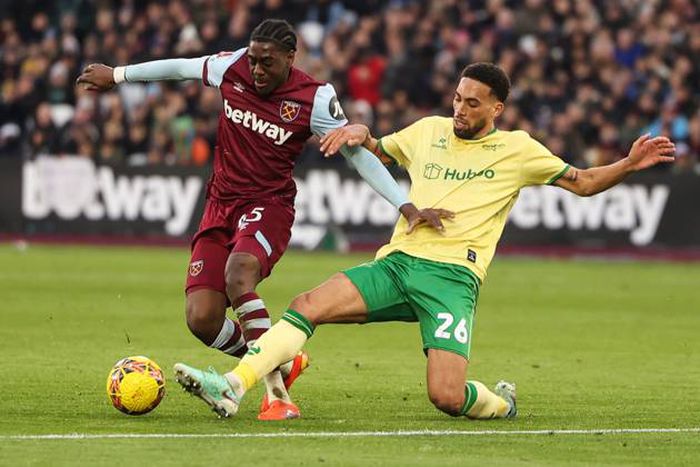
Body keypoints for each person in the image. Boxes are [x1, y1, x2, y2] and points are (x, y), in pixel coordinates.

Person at [171, 62, 676, 419]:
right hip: (397, 264)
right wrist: (360, 132)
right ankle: (233, 385)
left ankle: (502, 404)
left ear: (496, 108)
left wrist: (629, 164)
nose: (460, 109)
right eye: (457, 98)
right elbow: (378, 150)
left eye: (472, 103)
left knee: (447, 398)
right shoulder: (429, 130)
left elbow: (582, 182)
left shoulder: (519, 150)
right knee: (307, 305)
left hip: (453, 281)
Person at [76, 19, 447, 420]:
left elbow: (356, 155)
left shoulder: (315, 98)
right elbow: (182, 67)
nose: (256, 69)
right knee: (202, 319)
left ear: (291, 58)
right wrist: (118, 75)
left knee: (239, 275)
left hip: (268, 206)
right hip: (219, 205)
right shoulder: (231, 66)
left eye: (267, 62)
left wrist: (405, 205)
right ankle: (282, 360)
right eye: (253, 60)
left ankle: (276, 395)